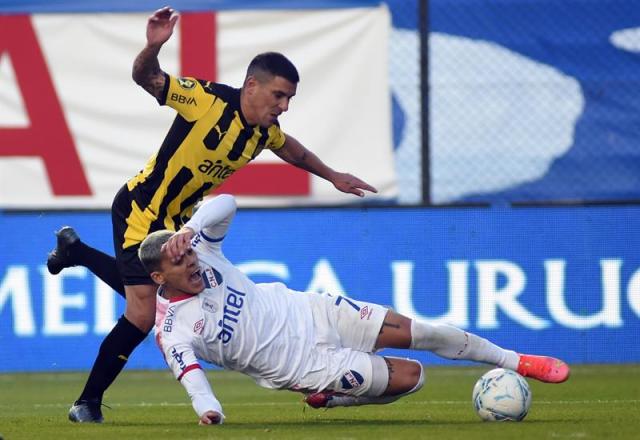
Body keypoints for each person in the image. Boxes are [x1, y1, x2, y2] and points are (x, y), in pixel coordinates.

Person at [59, 6, 377, 423]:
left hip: (178, 221)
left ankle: (76, 251)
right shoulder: (205, 100)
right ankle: (87, 402)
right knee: (143, 311)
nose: (283, 106)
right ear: (251, 86)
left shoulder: (263, 132)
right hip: (142, 208)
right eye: (278, 95)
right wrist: (153, 47)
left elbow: (291, 149)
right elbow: (146, 78)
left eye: (289, 99)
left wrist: (332, 175)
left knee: (152, 296)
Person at [140, 193, 570, 425]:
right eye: (179, 261)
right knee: (413, 378)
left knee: (418, 330)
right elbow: (193, 380)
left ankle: (518, 360)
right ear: (159, 278)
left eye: (189, 254)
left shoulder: (200, 248)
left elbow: (227, 202)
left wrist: (190, 229)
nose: (191, 261)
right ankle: (334, 401)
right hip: (304, 365)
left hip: (311, 311)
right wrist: (208, 411)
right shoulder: (173, 329)